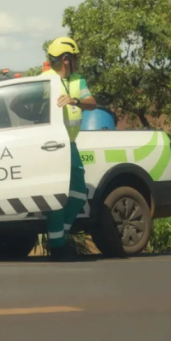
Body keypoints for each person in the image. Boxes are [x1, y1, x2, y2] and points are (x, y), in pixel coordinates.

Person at [43, 36, 96, 258]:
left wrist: (74, 100)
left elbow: (92, 104)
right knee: (57, 195)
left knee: (77, 195)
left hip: (70, 145)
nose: (75, 61)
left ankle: (59, 238)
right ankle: (57, 247)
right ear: (66, 59)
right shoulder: (45, 80)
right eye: (73, 58)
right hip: (51, 147)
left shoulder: (77, 81)